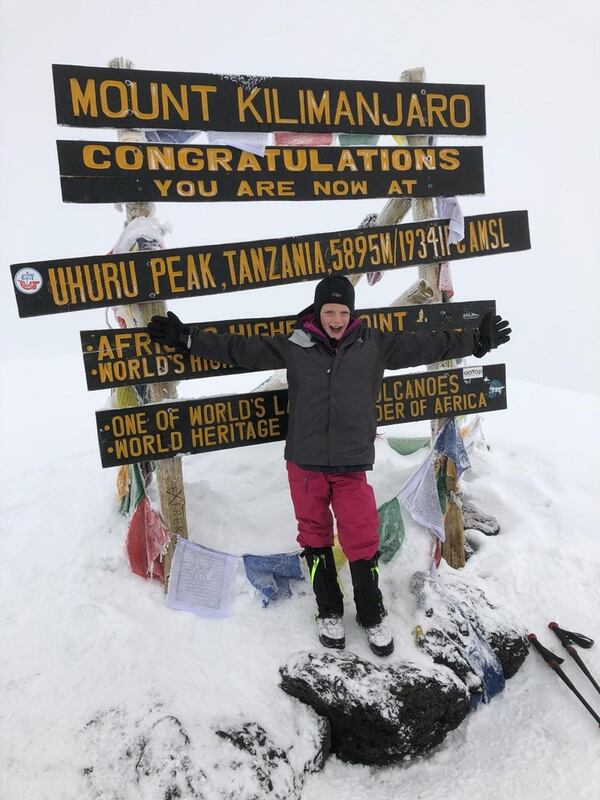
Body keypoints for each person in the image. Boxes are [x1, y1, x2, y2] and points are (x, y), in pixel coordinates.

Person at [148, 276, 510, 657]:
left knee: (361, 535)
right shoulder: (295, 344)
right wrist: (186, 339)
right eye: (329, 311)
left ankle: (372, 614)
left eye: (342, 311)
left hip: (351, 464)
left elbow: (427, 345)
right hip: (304, 464)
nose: (336, 319)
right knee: (315, 536)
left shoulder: (374, 345)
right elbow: (240, 349)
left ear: (351, 313)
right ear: (318, 311)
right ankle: (329, 610)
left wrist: (477, 341)